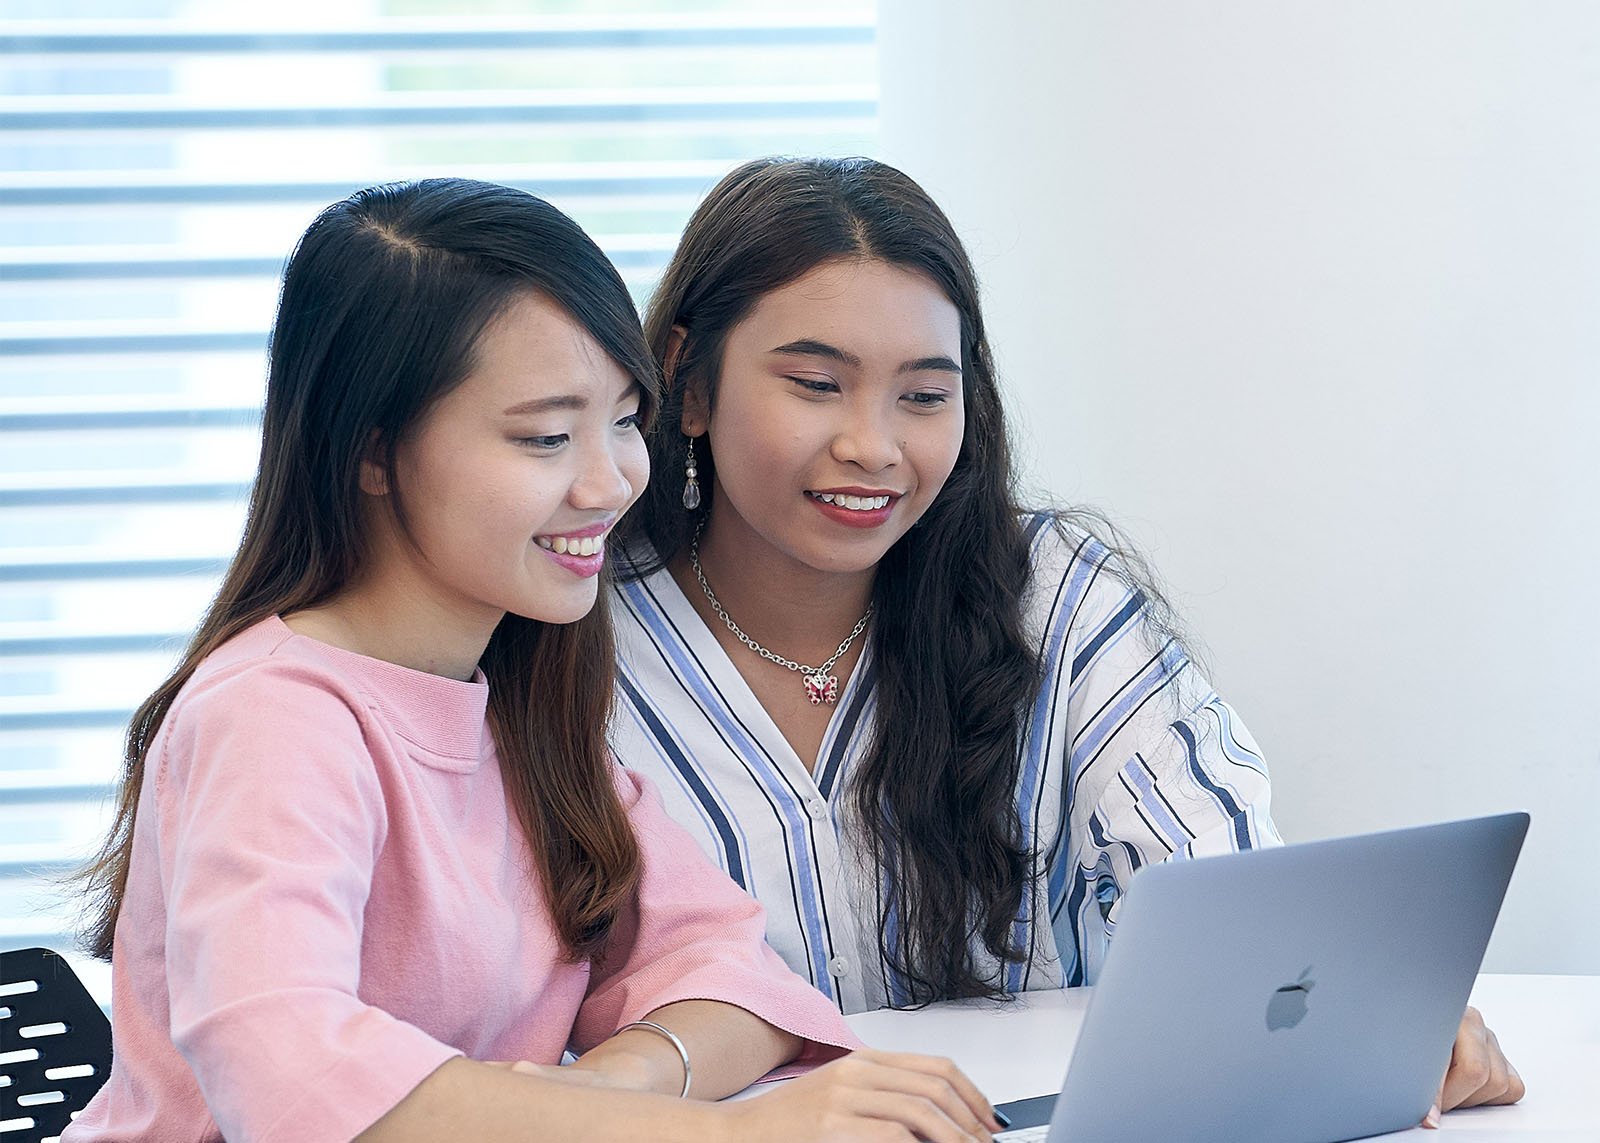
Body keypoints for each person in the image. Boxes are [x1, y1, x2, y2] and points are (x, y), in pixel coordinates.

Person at [64, 178, 1005, 1143]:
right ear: (374, 451)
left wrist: (617, 1088)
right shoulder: (272, 715)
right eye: (547, 437)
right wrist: (740, 1135)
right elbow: (291, 1071)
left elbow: (729, 969)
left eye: (625, 420)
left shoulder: (513, 702)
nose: (609, 482)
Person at [607, 156, 1523, 1122]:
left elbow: (1220, 891)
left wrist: (1369, 1012)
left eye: (924, 396)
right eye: (817, 383)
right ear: (688, 381)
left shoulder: (1053, 597)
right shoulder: (575, 637)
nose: (874, 446)